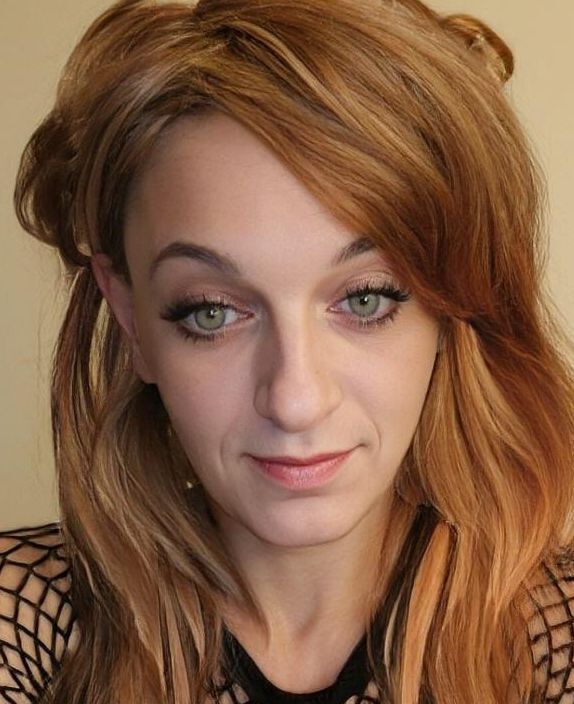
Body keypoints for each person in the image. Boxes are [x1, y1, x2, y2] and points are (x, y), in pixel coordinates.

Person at [1, 0, 573, 702]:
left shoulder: (557, 637)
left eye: (365, 299)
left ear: (450, 304)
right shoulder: (23, 618)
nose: (296, 400)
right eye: (212, 311)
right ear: (130, 317)